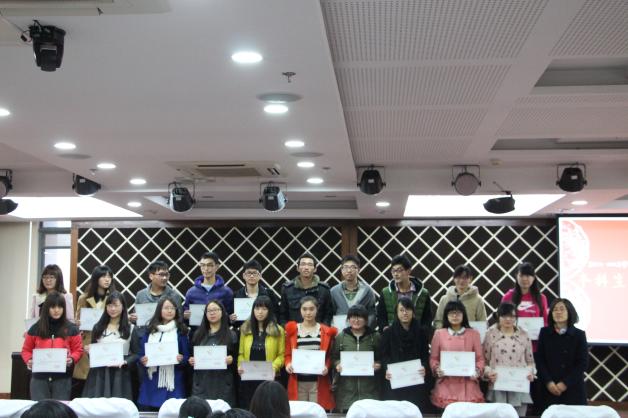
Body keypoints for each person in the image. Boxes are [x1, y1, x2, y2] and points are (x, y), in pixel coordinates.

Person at [501, 261, 549, 414]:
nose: (525, 279)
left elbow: (546, 322)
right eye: (522, 275)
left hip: (534, 349)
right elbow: (502, 321)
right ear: (516, 276)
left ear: (534, 278)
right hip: (513, 349)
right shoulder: (508, 296)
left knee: (534, 385)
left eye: (529, 275)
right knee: (516, 385)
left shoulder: (541, 298)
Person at [21, 292, 83, 400]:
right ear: (47, 308)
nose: (56, 310)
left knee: (59, 408)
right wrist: (29, 360)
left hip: (63, 378)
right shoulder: (35, 328)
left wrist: (72, 359)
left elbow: (78, 350)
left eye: (60, 307)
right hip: (39, 378)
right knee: (40, 408)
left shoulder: (72, 328)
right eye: (53, 307)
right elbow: (26, 350)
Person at [82, 291, 138, 400]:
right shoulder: (98, 327)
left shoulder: (131, 329)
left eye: (116, 305)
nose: (112, 309)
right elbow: (92, 355)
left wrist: (125, 362)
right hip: (99, 375)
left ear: (123, 307)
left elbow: (136, 354)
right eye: (109, 305)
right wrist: (89, 351)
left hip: (120, 375)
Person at [284, 296, 337, 410]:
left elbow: (329, 356)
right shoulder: (292, 330)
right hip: (298, 381)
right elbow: (287, 354)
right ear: (300, 310)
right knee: (299, 412)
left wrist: (326, 366)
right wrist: (288, 364)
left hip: (318, 382)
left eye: (311, 309)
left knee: (317, 411)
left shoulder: (326, 331)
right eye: (304, 309)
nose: (308, 312)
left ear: (317, 309)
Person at [137, 296, 190, 411]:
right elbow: (140, 354)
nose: (170, 311)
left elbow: (187, 357)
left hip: (173, 382)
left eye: (172, 308)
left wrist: (181, 359)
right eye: (166, 308)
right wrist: (142, 360)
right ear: (159, 310)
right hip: (152, 379)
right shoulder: (150, 330)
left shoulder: (181, 330)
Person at [483, 302, 535, 417]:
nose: (508, 319)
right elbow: (484, 361)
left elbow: (530, 361)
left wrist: (530, 372)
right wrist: (488, 373)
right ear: (498, 316)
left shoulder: (524, 335)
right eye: (504, 316)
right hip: (497, 387)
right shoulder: (490, 334)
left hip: (519, 387)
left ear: (516, 317)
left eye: (512, 316)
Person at [430, 300, 484, 409]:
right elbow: (433, 358)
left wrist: (477, 370)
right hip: (446, 385)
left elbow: (480, 359)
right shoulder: (439, 334)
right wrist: (437, 369)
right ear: (446, 315)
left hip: (468, 385)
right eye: (451, 313)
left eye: (458, 313)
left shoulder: (474, 334)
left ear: (464, 315)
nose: (455, 316)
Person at [536, 298, 588, 411]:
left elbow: (582, 363)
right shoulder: (544, 333)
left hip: (572, 388)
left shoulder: (579, 335)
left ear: (570, 312)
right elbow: (540, 360)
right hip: (549, 387)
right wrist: (549, 382)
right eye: (555, 310)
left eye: (562, 309)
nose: (558, 312)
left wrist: (565, 383)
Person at [73, 265, 116, 396]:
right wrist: (78, 323)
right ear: (96, 278)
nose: (107, 279)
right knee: (85, 379)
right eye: (103, 276)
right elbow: (77, 320)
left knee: (104, 378)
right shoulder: (84, 298)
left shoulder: (114, 298)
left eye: (109, 276)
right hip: (87, 340)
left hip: (107, 339)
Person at [380, 297, 429, 409]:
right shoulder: (388, 333)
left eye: (408, 309)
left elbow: (425, 355)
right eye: (401, 310)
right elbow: (384, 355)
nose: (405, 313)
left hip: (415, 382)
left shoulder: (421, 333)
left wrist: (424, 366)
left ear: (413, 312)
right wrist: (386, 368)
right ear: (396, 313)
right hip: (395, 381)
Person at [237, 295, 285, 409]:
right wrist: (240, 365)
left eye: (264, 309)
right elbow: (241, 354)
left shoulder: (278, 330)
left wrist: (274, 367)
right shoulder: (245, 329)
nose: (260, 312)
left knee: (267, 408)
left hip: (268, 377)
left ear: (270, 311)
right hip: (249, 378)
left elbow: (281, 355)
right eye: (257, 308)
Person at [331, 304, 381, 412]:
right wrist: (337, 364)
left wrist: (379, 365)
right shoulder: (341, 337)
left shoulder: (375, 337)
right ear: (348, 319)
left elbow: (382, 357)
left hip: (370, 391)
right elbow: (334, 357)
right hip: (346, 393)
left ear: (366, 319)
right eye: (353, 317)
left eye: (360, 317)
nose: (356, 320)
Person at [189, 299, 238, 406]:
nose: (212, 313)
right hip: (202, 383)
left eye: (215, 310)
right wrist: (191, 360)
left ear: (222, 312)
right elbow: (191, 356)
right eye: (209, 311)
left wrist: (232, 360)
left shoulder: (231, 335)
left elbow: (238, 359)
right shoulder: (198, 334)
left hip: (223, 383)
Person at [377, 254, 432, 332]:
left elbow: (427, 318)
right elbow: (381, 316)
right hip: (393, 335)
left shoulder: (423, 293)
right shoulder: (385, 292)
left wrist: (422, 332)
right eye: (393, 271)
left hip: (416, 335)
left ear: (408, 271)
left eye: (399, 270)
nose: (396, 274)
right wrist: (385, 329)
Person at [279, 253, 333, 325]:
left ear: (315, 269)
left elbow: (328, 314)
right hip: (294, 330)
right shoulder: (287, 289)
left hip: (318, 330)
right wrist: (287, 328)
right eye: (303, 264)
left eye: (310, 265)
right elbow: (282, 314)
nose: (306, 267)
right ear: (298, 268)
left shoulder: (324, 289)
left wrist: (323, 329)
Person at [184, 252, 235, 323]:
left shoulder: (226, 292)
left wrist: (231, 319)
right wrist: (185, 317)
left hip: (220, 329)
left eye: (209, 265)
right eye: (203, 265)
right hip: (197, 329)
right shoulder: (191, 292)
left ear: (217, 267)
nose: (206, 269)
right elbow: (186, 317)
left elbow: (231, 316)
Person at [330, 255, 377, 329]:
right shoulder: (334, 291)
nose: (349, 270)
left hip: (361, 331)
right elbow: (330, 313)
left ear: (358, 269)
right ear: (341, 270)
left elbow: (372, 314)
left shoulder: (367, 291)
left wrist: (366, 329)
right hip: (340, 331)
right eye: (346, 267)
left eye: (352, 267)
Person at [231, 260, 280, 327]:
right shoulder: (236, 295)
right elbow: (233, 321)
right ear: (243, 276)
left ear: (260, 276)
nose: (251, 276)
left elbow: (276, 314)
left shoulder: (269, 294)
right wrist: (232, 319)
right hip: (243, 331)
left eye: (254, 273)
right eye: (249, 273)